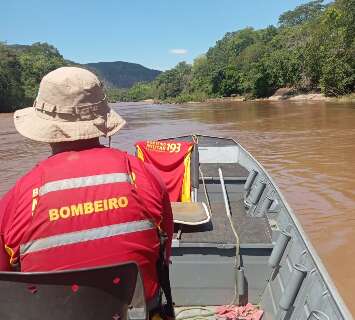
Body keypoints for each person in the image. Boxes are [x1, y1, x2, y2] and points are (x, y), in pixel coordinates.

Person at [0, 67, 173, 308]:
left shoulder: (17, 198)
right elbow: (163, 255)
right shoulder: (145, 176)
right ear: (102, 118)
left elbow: (6, 284)